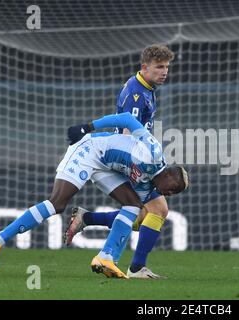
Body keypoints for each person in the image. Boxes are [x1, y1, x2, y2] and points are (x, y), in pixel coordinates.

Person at [0, 112, 189, 279]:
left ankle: (106, 258)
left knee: (133, 206)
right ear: (169, 173)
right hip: (89, 150)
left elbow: (136, 217)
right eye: (174, 187)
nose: (170, 193)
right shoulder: (154, 153)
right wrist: (87, 127)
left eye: (175, 193)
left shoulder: (146, 184)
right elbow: (127, 118)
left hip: (105, 167)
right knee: (57, 204)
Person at [64, 44, 175, 279]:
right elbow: (127, 131)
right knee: (155, 210)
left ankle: (88, 219)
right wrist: (134, 166)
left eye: (166, 67)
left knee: (145, 215)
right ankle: (135, 268)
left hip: (132, 156)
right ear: (144, 67)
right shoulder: (137, 93)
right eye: (159, 67)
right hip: (130, 159)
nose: (164, 71)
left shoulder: (146, 87)